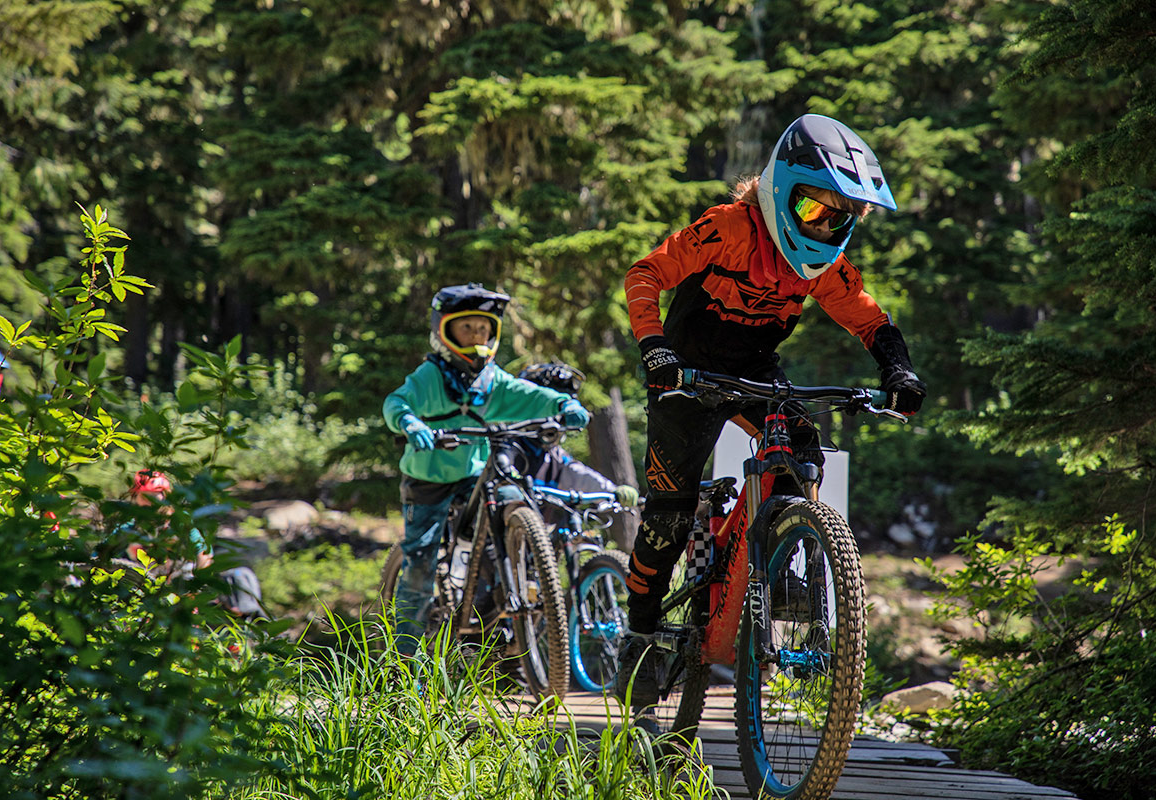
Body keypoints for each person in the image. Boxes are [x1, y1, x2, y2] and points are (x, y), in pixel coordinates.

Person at [615, 114, 926, 710]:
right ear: (780, 190)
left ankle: (784, 557)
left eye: (841, 218)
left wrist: (898, 371)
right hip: (684, 374)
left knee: (803, 449)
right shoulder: (729, 227)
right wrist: (654, 347)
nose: (825, 225)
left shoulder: (823, 265)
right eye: (814, 211)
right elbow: (646, 273)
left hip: (754, 372)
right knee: (668, 517)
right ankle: (641, 631)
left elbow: (870, 317)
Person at [382, 283, 591, 652]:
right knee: (421, 561)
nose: (477, 337)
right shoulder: (430, 377)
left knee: (510, 498)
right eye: (467, 328)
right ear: (443, 331)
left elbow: (530, 395)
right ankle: (403, 659)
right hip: (428, 481)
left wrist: (562, 404)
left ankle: (500, 605)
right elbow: (398, 401)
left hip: (473, 477)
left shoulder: (492, 380)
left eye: (483, 329)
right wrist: (410, 423)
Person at [125, 469, 265, 619]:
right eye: (145, 497)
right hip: (144, 584)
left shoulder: (178, 521)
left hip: (183, 581)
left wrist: (196, 589)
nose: (150, 502)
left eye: (154, 496)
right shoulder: (129, 526)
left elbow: (202, 552)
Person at [515, 362, 641, 516]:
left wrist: (614, 491)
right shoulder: (505, 447)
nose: (555, 419)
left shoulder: (555, 458)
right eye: (549, 407)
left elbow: (581, 477)